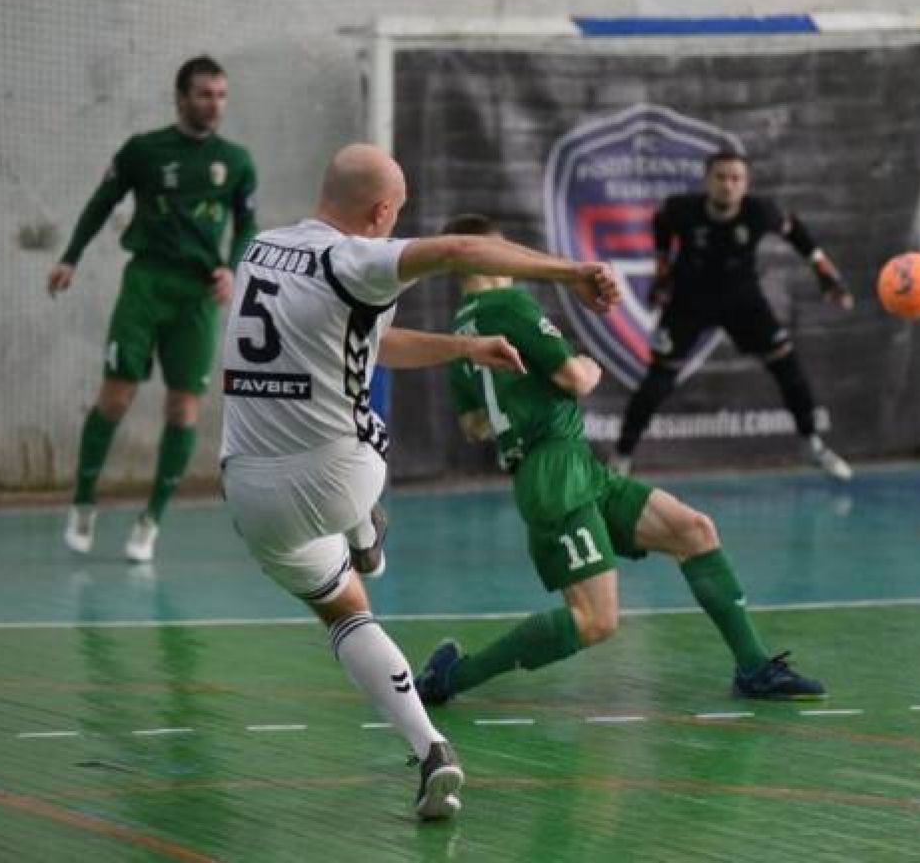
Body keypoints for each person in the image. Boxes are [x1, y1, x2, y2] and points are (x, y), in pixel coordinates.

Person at [218, 146, 619, 820]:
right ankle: (364, 530)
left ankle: (431, 748)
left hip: (250, 496)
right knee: (354, 428)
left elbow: (373, 341)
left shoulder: (261, 250)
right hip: (343, 475)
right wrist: (573, 270)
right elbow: (461, 249)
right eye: (397, 215)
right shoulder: (356, 258)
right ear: (381, 212)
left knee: (347, 613)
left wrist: (463, 348)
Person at [413, 214, 826, 713]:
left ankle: (755, 668)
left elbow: (475, 426)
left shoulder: (459, 333)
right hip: (556, 474)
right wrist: (589, 366)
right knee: (595, 620)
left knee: (693, 530)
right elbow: (574, 379)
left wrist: (518, 403)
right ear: (493, 256)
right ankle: (453, 676)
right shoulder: (510, 304)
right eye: (510, 252)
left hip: (572, 466)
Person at [48, 55, 259, 562]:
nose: (215, 104)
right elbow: (102, 202)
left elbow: (247, 223)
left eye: (221, 95)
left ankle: (151, 520)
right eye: (205, 94)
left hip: (198, 295)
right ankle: (83, 501)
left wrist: (232, 267)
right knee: (117, 395)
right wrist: (70, 257)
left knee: (183, 407)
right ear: (181, 97)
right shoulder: (143, 151)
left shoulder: (237, 161)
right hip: (146, 283)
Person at [611, 149, 855, 480]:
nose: (728, 185)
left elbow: (795, 230)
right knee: (658, 380)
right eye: (721, 177)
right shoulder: (681, 210)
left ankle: (812, 443)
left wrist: (824, 271)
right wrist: (663, 269)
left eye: (736, 178)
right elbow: (661, 222)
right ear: (707, 180)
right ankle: (621, 457)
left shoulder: (760, 212)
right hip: (689, 301)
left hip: (743, 301)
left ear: (746, 184)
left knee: (788, 366)